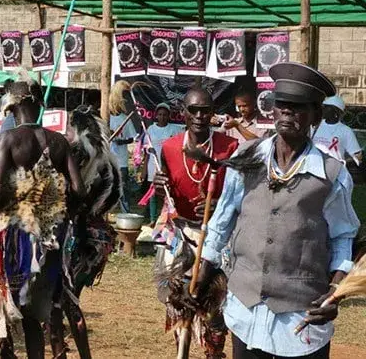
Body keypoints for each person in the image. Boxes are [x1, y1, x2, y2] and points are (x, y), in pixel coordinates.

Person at [197, 62, 360, 359]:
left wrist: (335, 292)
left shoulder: (331, 173)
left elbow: (342, 238)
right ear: (272, 111)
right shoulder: (246, 158)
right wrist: (202, 272)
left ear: (316, 116)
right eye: (281, 104)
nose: (287, 112)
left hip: (302, 320)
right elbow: (222, 219)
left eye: (298, 107)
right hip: (245, 311)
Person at [0, 78, 85, 359]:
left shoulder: (8, 139)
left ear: (13, 104)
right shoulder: (58, 141)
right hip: (52, 236)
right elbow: (78, 189)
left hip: (17, 237)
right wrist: (66, 211)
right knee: (41, 311)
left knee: (14, 309)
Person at [152, 87, 238, 359]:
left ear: (213, 112)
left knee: (215, 306)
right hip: (181, 234)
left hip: (218, 235)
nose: (200, 115)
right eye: (194, 110)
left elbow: (239, 195)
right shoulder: (168, 147)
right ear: (184, 113)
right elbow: (167, 194)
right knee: (179, 303)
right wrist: (158, 185)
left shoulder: (229, 147)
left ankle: (213, 353)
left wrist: (216, 206)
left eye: (206, 110)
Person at [59, 104, 121, 359]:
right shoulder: (106, 158)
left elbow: (72, 196)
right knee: (66, 299)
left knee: (67, 300)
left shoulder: (80, 154)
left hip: (82, 237)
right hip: (99, 236)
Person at [143, 103, 183, 226]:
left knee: (166, 193)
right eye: (160, 114)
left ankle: (166, 218)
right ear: (156, 116)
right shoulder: (150, 130)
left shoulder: (174, 130)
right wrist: (144, 169)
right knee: (153, 193)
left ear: (169, 116)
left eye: (165, 115)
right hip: (153, 165)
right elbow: (146, 151)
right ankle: (153, 219)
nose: (162, 117)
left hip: (168, 166)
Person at [108, 81, 137, 212]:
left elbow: (131, 138)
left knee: (123, 188)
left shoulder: (125, 118)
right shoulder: (106, 117)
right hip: (108, 159)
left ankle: (126, 213)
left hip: (122, 160)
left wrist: (121, 142)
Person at [313, 95, 362, 165]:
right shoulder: (315, 125)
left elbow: (358, 156)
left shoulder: (346, 131)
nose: (323, 109)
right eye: (323, 106)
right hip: (314, 167)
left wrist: (340, 162)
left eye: (327, 107)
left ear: (336, 111)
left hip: (333, 171)